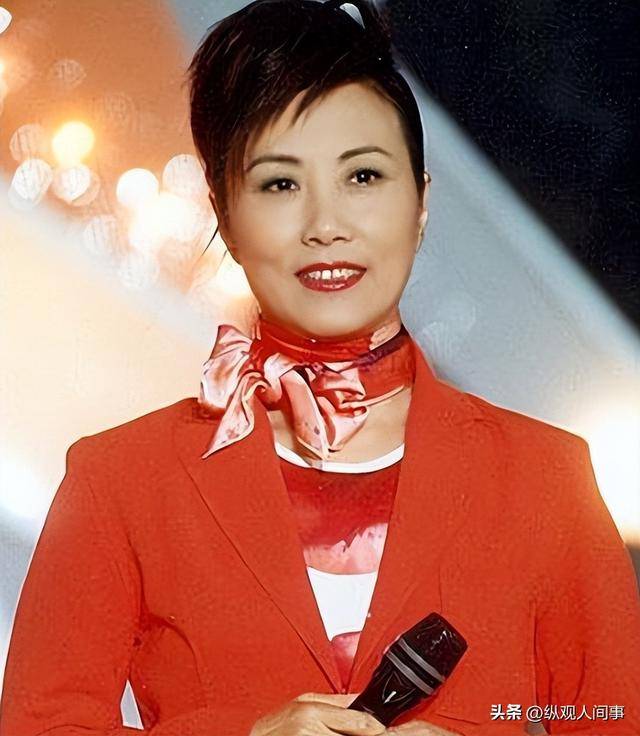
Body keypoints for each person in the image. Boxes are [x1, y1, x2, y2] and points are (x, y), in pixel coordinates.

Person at [1, 1, 639, 735]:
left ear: (421, 203)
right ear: (224, 215)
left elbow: (608, 718)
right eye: (280, 184)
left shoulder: (547, 479)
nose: (326, 225)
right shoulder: (119, 481)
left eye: (363, 176)